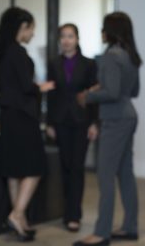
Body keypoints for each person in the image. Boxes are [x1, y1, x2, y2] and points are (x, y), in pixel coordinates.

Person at [74, 12, 142, 246]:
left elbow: (111, 94)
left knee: (105, 176)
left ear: (111, 31)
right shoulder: (130, 55)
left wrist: (88, 95)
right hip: (128, 115)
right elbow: (132, 92)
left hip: (114, 120)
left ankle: (101, 233)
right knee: (125, 174)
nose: (101, 32)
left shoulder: (111, 56)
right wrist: (102, 87)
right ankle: (130, 227)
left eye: (104, 28)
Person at [0, 7, 54, 242]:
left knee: (14, 170)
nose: (32, 34)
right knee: (35, 167)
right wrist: (42, 87)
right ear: (22, 28)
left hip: (9, 118)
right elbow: (26, 87)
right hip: (23, 118)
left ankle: (20, 222)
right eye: (31, 29)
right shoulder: (18, 53)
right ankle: (17, 213)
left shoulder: (4, 52)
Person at [47, 23, 99, 232]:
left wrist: (95, 123)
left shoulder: (89, 64)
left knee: (77, 168)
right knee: (65, 167)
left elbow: (93, 96)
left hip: (82, 121)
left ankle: (73, 215)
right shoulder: (54, 63)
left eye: (70, 36)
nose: (66, 40)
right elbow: (51, 94)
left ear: (77, 39)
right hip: (60, 121)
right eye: (63, 36)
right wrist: (49, 122)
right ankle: (67, 211)